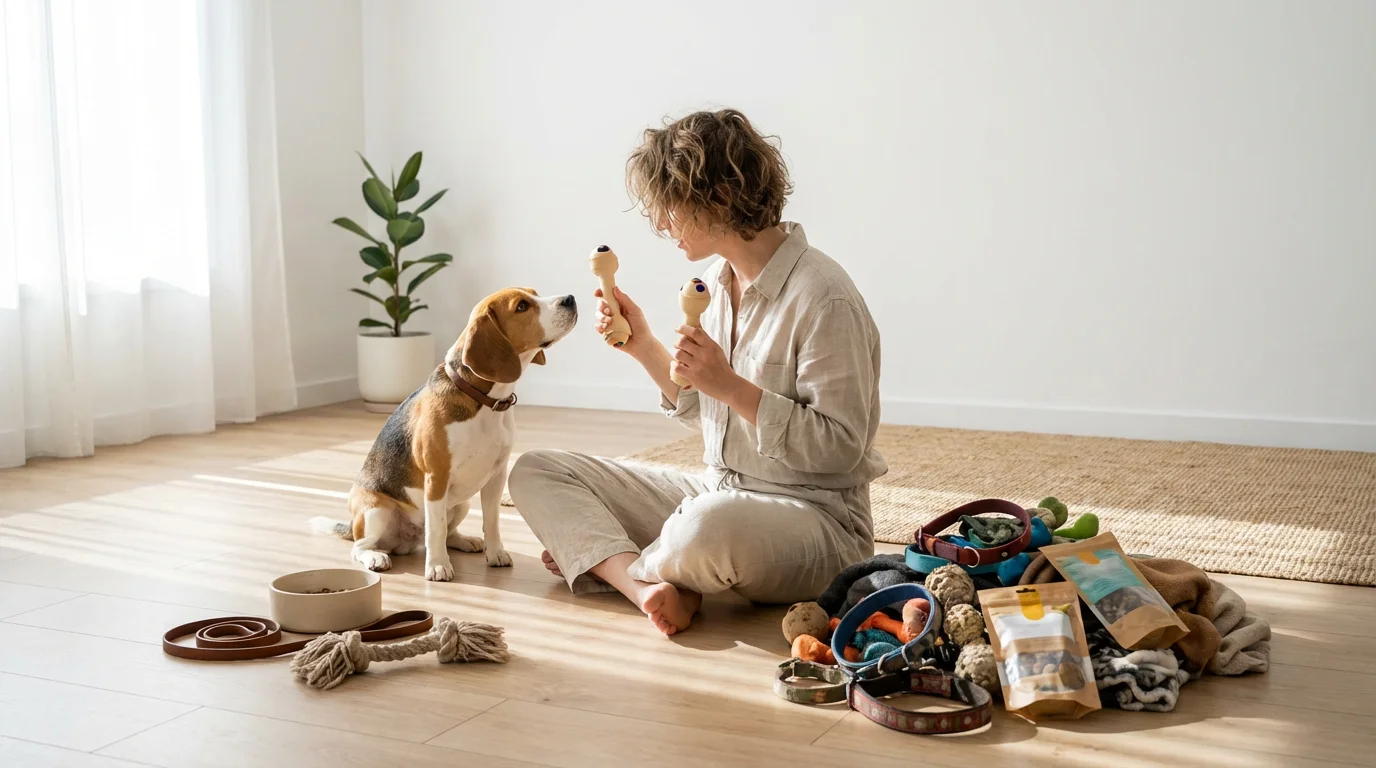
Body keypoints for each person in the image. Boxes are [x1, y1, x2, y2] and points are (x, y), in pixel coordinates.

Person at [508, 108, 885, 635]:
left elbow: (841, 446)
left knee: (707, 526)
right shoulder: (715, 281)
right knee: (536, 469)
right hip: (719, 493)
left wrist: (731, 386)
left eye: (671, 206)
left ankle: (610, 563)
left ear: (720, 197)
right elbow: (707, 410)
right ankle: (651, 583)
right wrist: (643, 346)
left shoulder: (825, 297)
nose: (662, 224)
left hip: (817, 522)